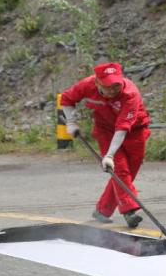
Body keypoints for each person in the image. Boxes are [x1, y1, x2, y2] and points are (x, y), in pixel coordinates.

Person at [61, 62, 151, 229]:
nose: (112, 91)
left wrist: (108, 156)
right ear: (97, 82)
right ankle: (130, 211)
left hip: (135, 131)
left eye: (115, 86)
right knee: (120, 170)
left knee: (129, 172)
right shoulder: (87, 85)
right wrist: (71, 122)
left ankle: (103, 210)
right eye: (107, 87)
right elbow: (67, 98)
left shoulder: (130, 93)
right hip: (105, 131)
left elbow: (123, 127)